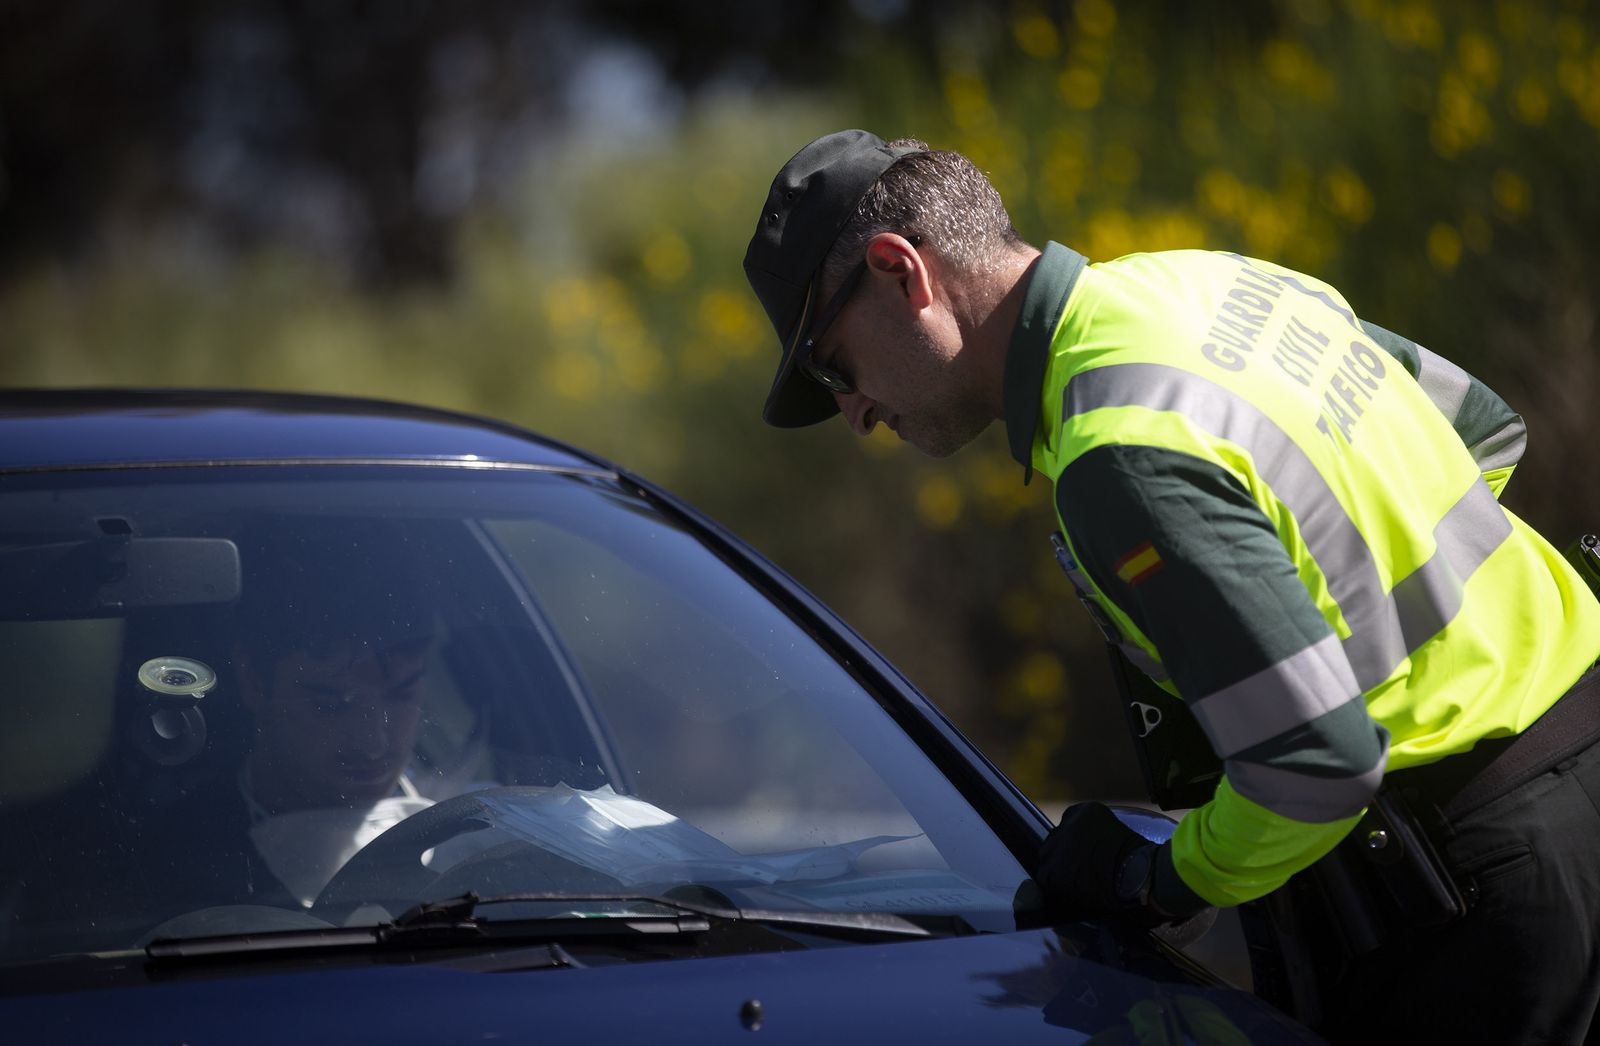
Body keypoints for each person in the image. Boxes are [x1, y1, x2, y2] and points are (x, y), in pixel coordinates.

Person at [743, 129, 1600, 1043]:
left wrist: (1155, 881)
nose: (854, 414)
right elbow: (1486, 429)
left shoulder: (1118, 446)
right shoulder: (1213, 282)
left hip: (1482, 898)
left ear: (900, 270)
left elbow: (1315, 765)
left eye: (832, 368)